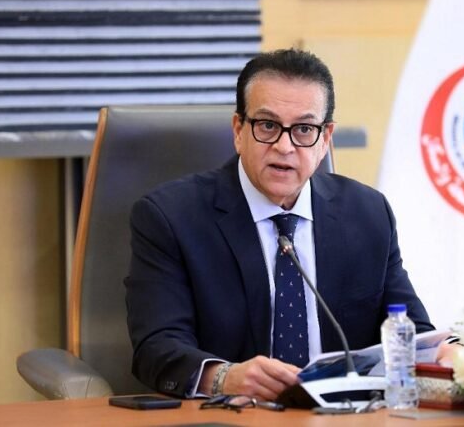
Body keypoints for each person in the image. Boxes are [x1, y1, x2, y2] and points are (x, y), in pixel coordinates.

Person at [125, 48, 435, 401]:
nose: (284, 146)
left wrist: (456, 353)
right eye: (268, 126)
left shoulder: (367, 213)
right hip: (233, 416)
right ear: (238, 130)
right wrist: (224, 376)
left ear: (325, 139)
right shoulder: (170, 217)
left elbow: (412, 331)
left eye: (304, 129)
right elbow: (157, 347)